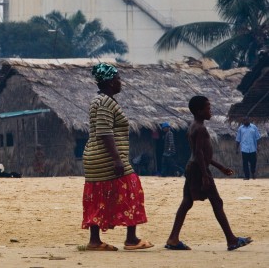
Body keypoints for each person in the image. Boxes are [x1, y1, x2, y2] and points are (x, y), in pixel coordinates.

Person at [165, 96, 252, 251]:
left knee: (187, 201)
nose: (210, 111)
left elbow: (200, 154)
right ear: (199, 111)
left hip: (192, 167)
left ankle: (173, 238)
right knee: (216, 202)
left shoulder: (193, 126)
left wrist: (220, 167)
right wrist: (205, 175)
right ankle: (231, 240)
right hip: (199, 169)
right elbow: (199, 153)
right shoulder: (200, 129)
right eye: (208, 108)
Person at [81, 62, 152, 251]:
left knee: (98, 195)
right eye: (118, 78)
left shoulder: (99, 101)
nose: (120, 82)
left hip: (95, 158)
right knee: (132, 190)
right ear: (110, 82)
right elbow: (105, 132)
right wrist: (117, 159)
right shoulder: (105, 102)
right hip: (106, 158)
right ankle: (131, 239)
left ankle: (95, 241)